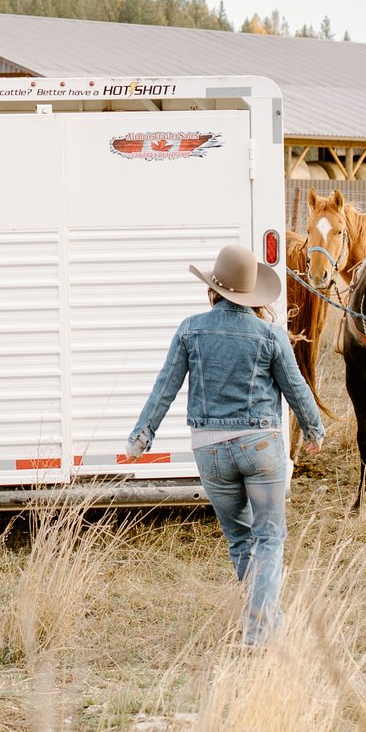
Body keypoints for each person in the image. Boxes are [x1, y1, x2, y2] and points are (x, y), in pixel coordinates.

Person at [127, 242, 326, 646]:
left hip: (210, 450)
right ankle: (259, 634)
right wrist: (314, 430)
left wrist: (141, 437)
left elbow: (164, 388)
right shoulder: (270, 334)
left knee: (241, 539)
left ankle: (268, 624)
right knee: (269, 538)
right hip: (260, 447)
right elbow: (296, 387)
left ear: (213, 289)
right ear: (250, 294)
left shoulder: (190, 329)